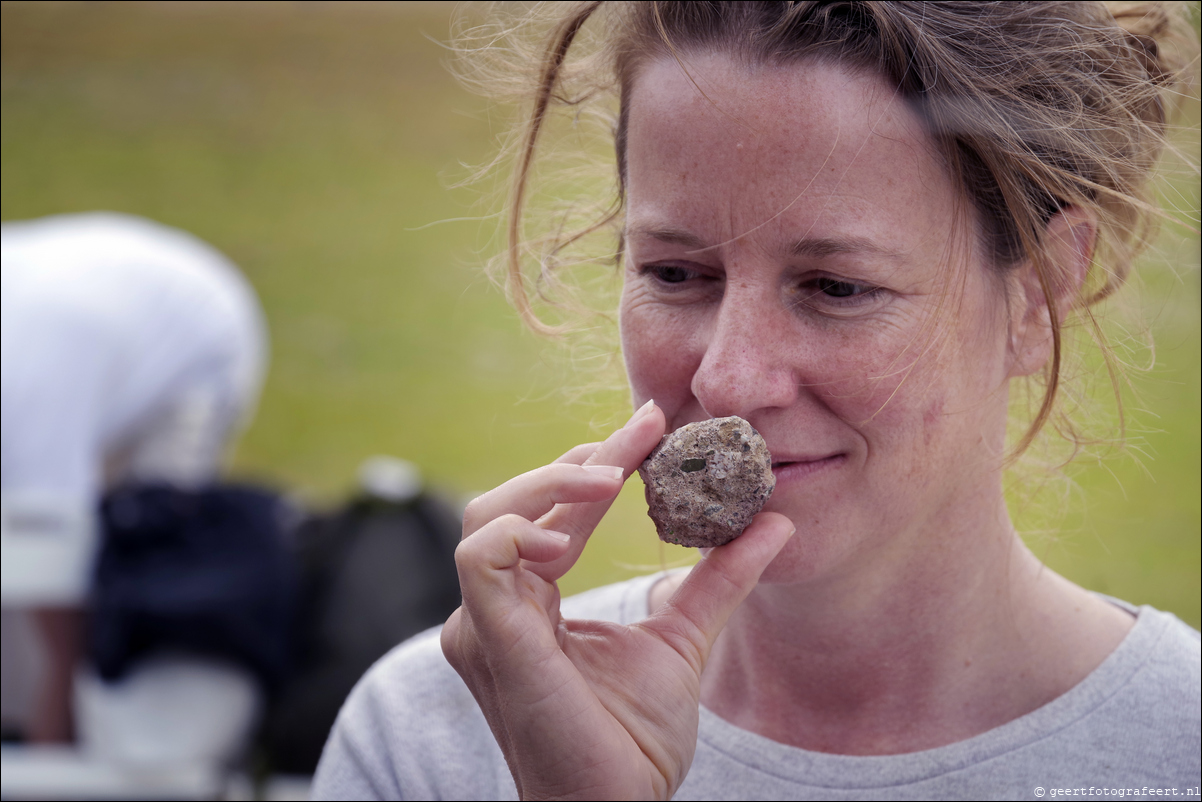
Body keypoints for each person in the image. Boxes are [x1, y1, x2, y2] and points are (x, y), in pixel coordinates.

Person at [313, 3, 1200, 799]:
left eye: (836, 286)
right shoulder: (438, 734)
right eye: (675, 273)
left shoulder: (1177, 750)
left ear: (1038, 296)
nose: (727, 381)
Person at [1, 211, 267, 743]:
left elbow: (51, 552)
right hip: (93, 319)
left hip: (193, 346)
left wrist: (51, 739)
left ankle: (115, 751)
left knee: (130, 568)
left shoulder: (27, 381)